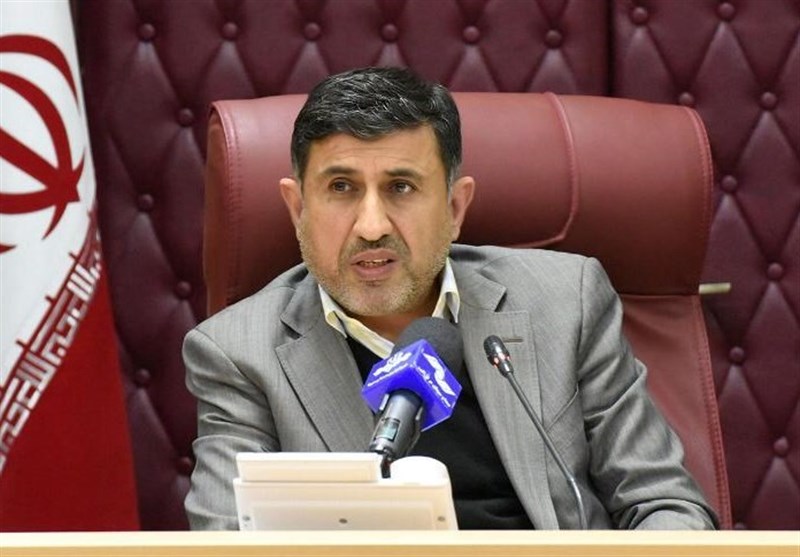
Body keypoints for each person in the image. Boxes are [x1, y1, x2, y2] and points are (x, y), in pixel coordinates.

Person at [183, 66, 718, 530]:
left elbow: (664, 505)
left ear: (455, 208)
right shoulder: (238, 354)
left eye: (401, 187)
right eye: (341, 188)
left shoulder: (565, 302)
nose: (371, 226)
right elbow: (227, 539)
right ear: (298, 207)